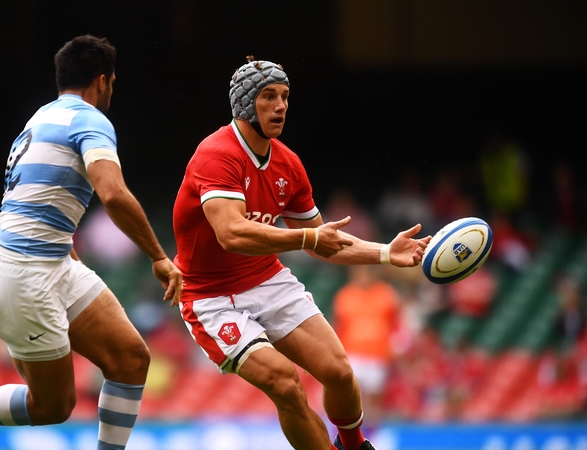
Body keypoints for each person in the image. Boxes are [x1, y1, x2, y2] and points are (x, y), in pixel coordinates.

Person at [0, 35, 183, 450]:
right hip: (25, 276)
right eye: (113, 84)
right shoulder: (90, 119)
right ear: (102, 81)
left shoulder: (37, 120)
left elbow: (33, 202)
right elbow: (114, 194)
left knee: (130, 358)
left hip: (49, 262)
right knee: (53, 405)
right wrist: (158, 256)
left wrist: (65, 249)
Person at [170, 56, 431, 450]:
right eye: (268, 96)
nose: (281, 106)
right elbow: (231, 234)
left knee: (339, 372)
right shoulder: (216, 153)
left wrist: (384, 252)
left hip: (267, 279)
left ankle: (354, 444)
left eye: (285, 96)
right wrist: (308, 239)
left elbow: (325, 241)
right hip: (211, 298)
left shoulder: (288, 164)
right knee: (286, 383)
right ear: (244, 103)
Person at [332, 264, 401, 425]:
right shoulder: (345, 296)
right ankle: (350, 430)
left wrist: (397, 347)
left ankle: (372, 430)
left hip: (378, 354)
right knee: (351, 396)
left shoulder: (386, 294)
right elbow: (339, 326)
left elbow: (396, 324)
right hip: (352, 353)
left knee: (375, 399)